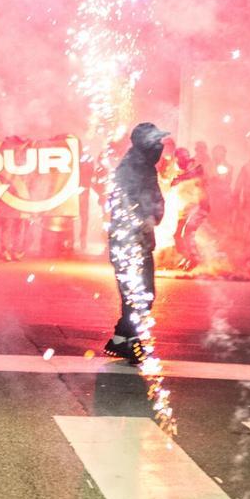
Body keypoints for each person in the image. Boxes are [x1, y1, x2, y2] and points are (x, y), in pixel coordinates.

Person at [104, 122, 167, 364]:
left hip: (133, 240)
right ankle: (132, 343)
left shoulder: (140, 166)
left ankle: (121, 339)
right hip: (131, 242)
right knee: (141, 293)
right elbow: (125, 202)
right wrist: (145, 219)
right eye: (156, 141)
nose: (160, 146)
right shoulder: (135, 167)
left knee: (137, 293)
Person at [171, 146, 210, 269]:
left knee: (188, 231)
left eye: (185, 156)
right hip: (186, 207)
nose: (182, 159)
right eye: (180, 157)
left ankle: (195, 258)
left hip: (200, 205)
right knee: (177, 234)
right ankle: (187, 256)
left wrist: (179, 179)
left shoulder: (196, 166)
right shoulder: (178, 169)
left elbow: (194, 174)